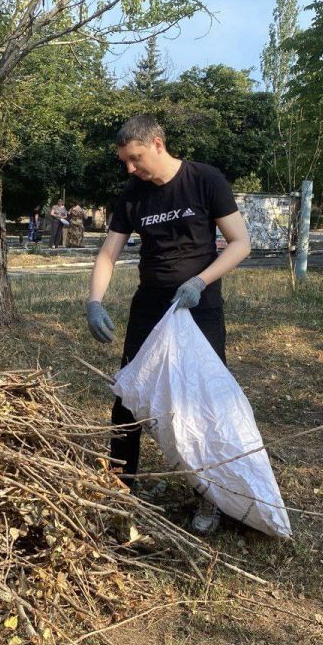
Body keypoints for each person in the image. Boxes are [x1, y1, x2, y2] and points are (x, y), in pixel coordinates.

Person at [85, 115, 252, 535]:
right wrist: (94, 300)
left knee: (203, 400)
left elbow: (240, 243)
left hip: (198, 307)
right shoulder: (134, 194)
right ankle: (120, 488)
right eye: (125, 161)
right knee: (128, 394)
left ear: (157, 144)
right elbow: (108, 254)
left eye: (135, 158)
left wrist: (200, 281)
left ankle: (210, 497)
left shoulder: (205, 180)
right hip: (150, 308)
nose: (130, 168)